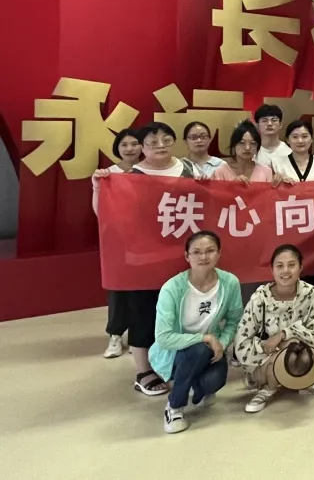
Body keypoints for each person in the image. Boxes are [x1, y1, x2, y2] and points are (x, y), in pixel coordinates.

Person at [95, 122, 204, 396]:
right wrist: (98, 188)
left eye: (166, 139)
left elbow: (211, 204)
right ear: (142, 147)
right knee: (144, 313)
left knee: (182, 311)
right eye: (152, 142)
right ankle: (144, 371)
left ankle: (178, 364)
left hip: (182, 256)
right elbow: (105, 214)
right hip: (143, 259)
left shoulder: (190, 170)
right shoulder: (130, 177)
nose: (160, 145)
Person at [150, 230, 242, 434]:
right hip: (175, 353)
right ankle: (174, 406)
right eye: (197, 252)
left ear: (219, 253)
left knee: (213, 382)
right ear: (187, 256)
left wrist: (221, 344)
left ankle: (196, 386)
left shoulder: (230, 282)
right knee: (198, 349)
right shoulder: (172, 288)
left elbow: (234, 320)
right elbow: (163, 338)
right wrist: (205, 337)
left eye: (210, 251)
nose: (203, 257)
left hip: (211, 350)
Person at [235, 245, 314, 413]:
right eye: (280, 266)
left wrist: (285, 335)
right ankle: (268, 388)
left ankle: (306, 383)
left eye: (291, 265)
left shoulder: (311, 294)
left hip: (300, 353)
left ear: (301, 267)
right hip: (266, 360)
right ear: (272, 269)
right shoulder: (260, 298)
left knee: (304, 354)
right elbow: (241, 344)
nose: (286, 271)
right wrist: (274, 348)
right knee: (286, 356)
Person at [93, 128, 142, 359]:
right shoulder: (108, 174)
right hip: (118, 241)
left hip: (145, 239)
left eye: (134, 143)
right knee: (118, 288)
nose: (130, 148)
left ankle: (138, 335)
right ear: (117, 148)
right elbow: (99, 210)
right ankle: (115, 334)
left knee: (142, 289)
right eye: (124, 144)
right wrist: (97, 185)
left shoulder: (149, 172)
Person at [211, 120, 276, 183]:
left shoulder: (266, 171)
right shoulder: (220, 172)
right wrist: (231, 186)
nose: (247, 148)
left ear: (258, 147)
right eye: (242, 143)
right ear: (234, 145)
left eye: (253, 143)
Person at [272, 119, 314, 184]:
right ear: (287, 140)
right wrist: (278, 181)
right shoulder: (277, 163)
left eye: (304, 136)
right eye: (295, 137)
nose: (300, 141)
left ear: (312, 139)